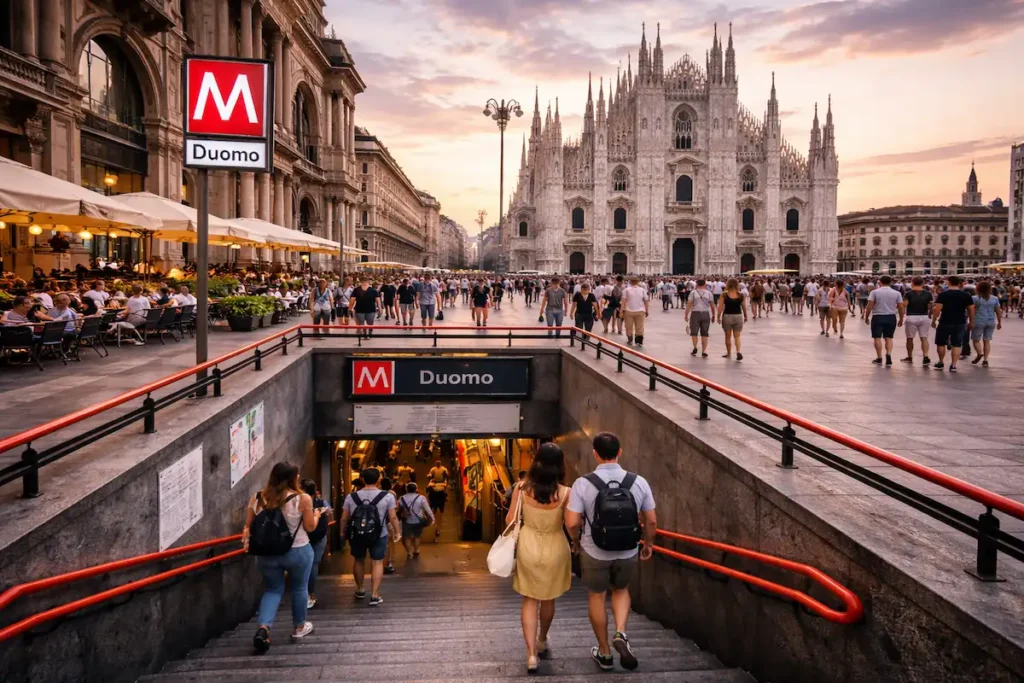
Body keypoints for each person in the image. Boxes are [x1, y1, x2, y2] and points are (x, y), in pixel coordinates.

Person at [565, 432, 656, 672]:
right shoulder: (639, 482)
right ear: (620, 452)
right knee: (621, 590)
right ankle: (621, 632)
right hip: (627, 550)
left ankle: (604, 652)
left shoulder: (583, 483)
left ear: (595, 453)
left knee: (597, 595)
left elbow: (572, 522)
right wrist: (647, 545)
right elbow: (652, 520)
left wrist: (575, 542)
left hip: (594, 550)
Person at [243, 462, 322, 651]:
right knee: (299, 588)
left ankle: (263, 628)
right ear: (293, 478)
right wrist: (317, 515)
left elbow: (248, 525)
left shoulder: (258, 498)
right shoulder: (302, 499)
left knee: (272, 590)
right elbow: (310, 528)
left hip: (267, 553)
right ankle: (299, 627)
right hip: (298, 551)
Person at [507, 442, 572, 674]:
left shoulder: (522, 488)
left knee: (529, 599)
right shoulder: (565, 493)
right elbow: (572, 524)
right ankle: (543, 638)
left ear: (536, 461)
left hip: (528, 544)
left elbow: (509, 521)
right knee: (549, 598)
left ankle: (531, 654)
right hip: (555, 545)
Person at [338, 468, 400, 607]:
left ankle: (360, 589)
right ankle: (374, 595)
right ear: (379, 480)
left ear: (362, 480)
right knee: (377, 562)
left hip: (357, 534)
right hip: (379, 533)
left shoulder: (351, 497)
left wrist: (342, 532)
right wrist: (397, 531)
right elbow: (393, 516)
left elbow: (344, 518)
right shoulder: (387, 496)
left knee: (359, 560)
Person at [299, 478, 332, 610]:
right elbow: (330, 513)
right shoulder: (322, 503)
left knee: (301, 565)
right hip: (318, 537)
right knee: (313, 565)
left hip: (301, 538)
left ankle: (302, 593)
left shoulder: (298, 504)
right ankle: (309, 594)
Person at [931, 275, 975, 372]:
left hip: (945, 321)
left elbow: (937, 309)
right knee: (957, 344)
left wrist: (934, 320)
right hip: (960, 321)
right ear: (959, 283)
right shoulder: (966, 295)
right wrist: (971, 321)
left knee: (941, 343)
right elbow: (971, 309)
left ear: (948, 282)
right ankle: (953, 365)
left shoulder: (943, 295)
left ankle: (941, 362)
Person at [864, 274, 905, 366]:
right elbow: (901, 307)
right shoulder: (897, 293)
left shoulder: (874, 292)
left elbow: (869, 305)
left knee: (877, 337)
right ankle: (889, 354)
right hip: (891, 317)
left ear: (880, 282)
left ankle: (879, 357)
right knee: (889, 337)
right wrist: (901, 319)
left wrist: (866, 317)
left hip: (878, 316)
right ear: (890, 282)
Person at [900, 276, 933, 366]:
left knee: (910, 338)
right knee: (924, 338)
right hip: (924, 316)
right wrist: (929, 314)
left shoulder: (908, 293)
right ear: (922, 283)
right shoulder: (928, 294)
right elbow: (930, 306)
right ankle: (925, 357)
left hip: (912, 316)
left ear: (912, 282)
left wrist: (901, 316)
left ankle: (910, 357)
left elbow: (904, 305)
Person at [397, 482, 434, 559]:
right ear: (416, 489)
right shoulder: (421, 498)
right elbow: (427, 509)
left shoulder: (402, 498)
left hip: (407, 521)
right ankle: (416, 550)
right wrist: (432, 518)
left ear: (407, 489)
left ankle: (409, 553)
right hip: (418, 520)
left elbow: (397, 509)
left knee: (407, 537)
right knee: (417, 536)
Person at [970, 280, 1001, 367]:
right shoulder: (994, 298)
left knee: (976, 340)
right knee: (987, 341)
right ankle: (985, 360)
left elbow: (972, 310)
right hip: (991, 321)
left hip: (978, 320)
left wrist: (970, 320)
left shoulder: (975, 298)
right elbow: (998, 311)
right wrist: (999, 322)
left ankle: (980, 353)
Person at [717, 278, 748, 360]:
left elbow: (720, 308)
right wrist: (745, 316)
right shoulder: (741, 295)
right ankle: (738, 351)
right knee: (737, 336)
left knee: (728, 336)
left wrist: (718, 317)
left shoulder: (724, 295)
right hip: (738, 316)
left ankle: (729, 353)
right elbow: (744, 307)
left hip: (727, 316)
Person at [684, 279, 715, 358]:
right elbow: (712, 305)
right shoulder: (709, 293)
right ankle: (704, 351)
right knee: (704, 333)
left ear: (697, 284)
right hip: (705, 313)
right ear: (705, 284)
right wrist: (714, 315)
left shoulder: (693, 293)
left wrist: (686, 315)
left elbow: (689, 304)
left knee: (694, 332)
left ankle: (695, 347)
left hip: (695, 313)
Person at [620, 276, 649, 347]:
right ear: (638, 282)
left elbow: (623, 301)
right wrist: (647, 310)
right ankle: (639, 341)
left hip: (628, 311)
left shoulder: (626, 290)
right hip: (640, 311)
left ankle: (630, 339)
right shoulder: (642, 290)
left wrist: (621, 311)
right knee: (640, 326)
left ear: (630, 282)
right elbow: (646, 301)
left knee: (628, 326)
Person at [426, 459, 450, 540]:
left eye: (439, 463)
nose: (438, 464)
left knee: (445, 487)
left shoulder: (444, 469)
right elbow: (430, 475)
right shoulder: (433, 469)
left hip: (441, 482)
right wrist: (430, 478)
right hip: (435, 482)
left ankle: (445, 496)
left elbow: (446, 475)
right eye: (437, 463)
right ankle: (429, 495)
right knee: (428, 486)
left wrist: (446, 480)